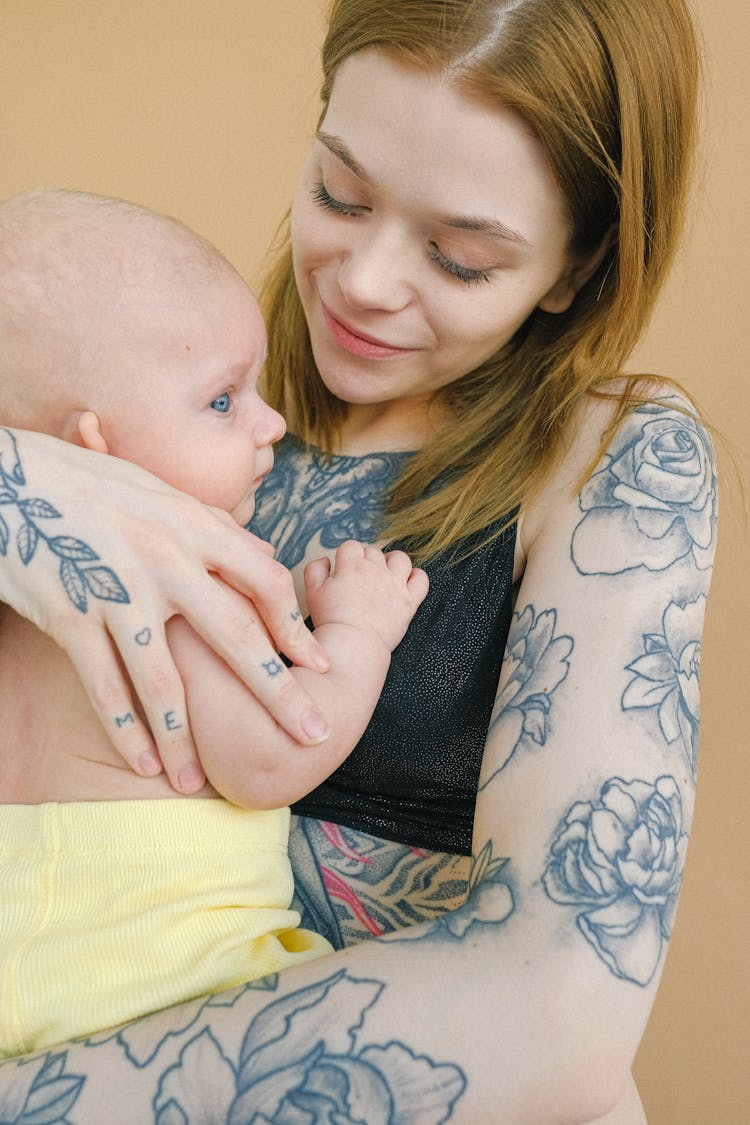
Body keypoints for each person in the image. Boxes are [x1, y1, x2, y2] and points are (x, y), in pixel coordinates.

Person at [0, 0, 715, 1121]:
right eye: (341, 191)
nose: (368, 279)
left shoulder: (610, 454)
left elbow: (562, 1005)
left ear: (576, 271)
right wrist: (15, 488)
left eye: (460, 257)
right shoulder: (149, 386)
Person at [0, 189, 428, 1057]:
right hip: (171, 985)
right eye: (224, 401)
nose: (271, 422)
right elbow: (273, 753)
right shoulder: (178, 581)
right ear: (94, 451)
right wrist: (358, 635)